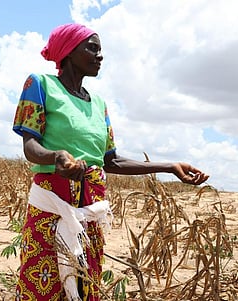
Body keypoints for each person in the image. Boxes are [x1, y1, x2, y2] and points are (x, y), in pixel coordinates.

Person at [12, 23, 209, 301]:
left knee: (84, 284)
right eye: (92, 47)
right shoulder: (40, 85)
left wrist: (169, 167)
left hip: (90, 211)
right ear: (69, 51)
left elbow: (111, 161)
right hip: (52, 208)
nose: (100, 55)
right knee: (43, 284)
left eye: (100, 49)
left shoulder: (99, 104)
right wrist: (56, 157)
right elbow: (30, 146)